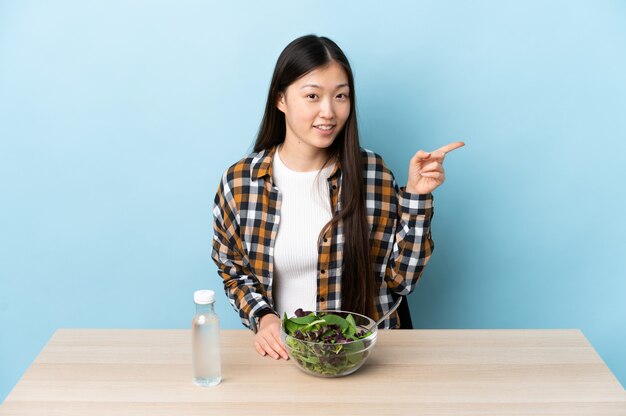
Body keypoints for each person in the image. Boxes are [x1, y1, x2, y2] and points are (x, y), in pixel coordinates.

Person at [211, 34, 463, 360]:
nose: (328, 112)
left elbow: (401, 280)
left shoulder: (372, 171)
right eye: (312, 96)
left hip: (366, 358)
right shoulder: (241, 183)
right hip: (286, 357)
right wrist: (265, 318)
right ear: (281, 99)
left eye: (341, 96)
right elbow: (234, 270)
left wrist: (416, 197)